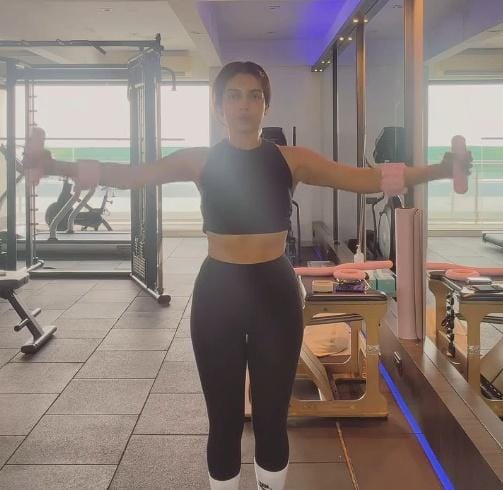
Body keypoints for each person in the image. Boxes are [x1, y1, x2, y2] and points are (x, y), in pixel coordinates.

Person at [23, 61, 471, 490]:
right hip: (218, 295)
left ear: (265, 106)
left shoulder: (292, 160)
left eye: (254, 96)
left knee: (273, 419)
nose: (244, 104)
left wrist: (440, 169)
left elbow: (364, 179)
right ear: (218, 106)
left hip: (275, 295)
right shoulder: (199, 160)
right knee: (223, 421)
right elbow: (132, 175)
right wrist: (56, 167)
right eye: (234, 96)